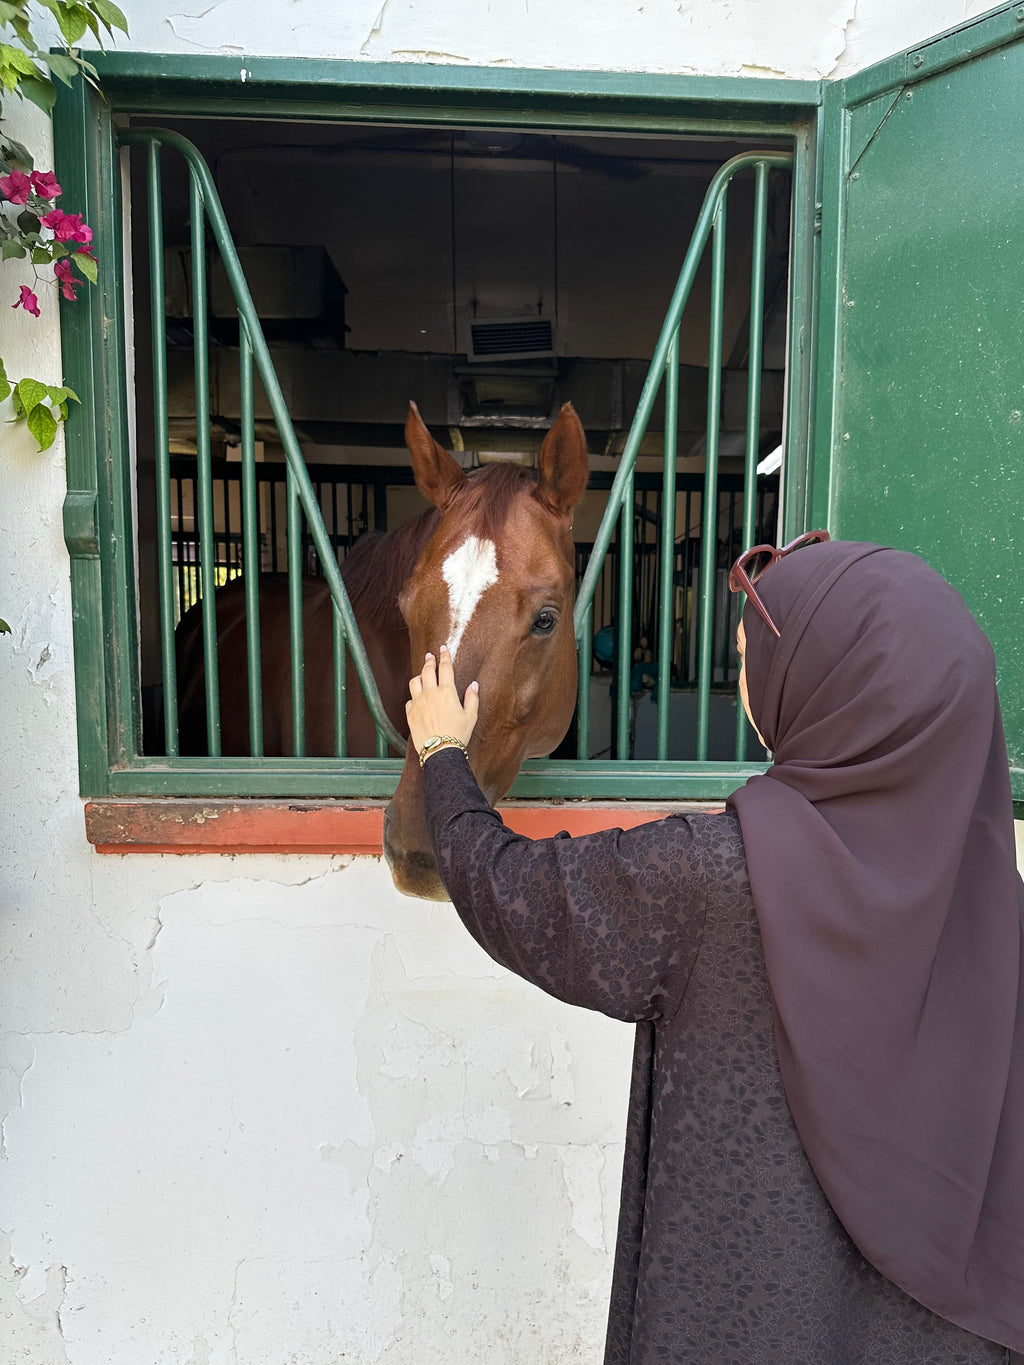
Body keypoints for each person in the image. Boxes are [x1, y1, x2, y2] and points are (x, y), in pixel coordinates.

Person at [404, 535, 1024, 1365]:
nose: (742, 685)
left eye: (752, 661)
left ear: (826, 689)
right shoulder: (1001, 922)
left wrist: (445, 756)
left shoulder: (711, 879)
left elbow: (511, 890)